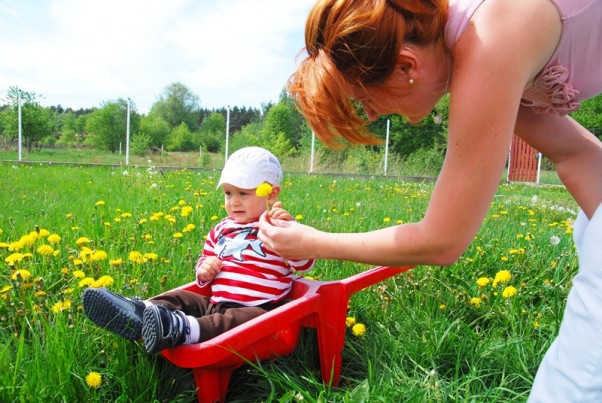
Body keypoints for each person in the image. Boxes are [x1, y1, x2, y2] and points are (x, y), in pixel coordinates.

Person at [257, 0, 602, 401]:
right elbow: (575, 155)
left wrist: (313, 242)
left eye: (365, 99)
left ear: (406, 67)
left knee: (574, 382)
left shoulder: (491, 40)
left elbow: (442, 240)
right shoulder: (481, 52)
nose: (370, 114)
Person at [83, 147, 315, 354]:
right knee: (181, 298)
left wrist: (289, 231)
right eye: (228, 193)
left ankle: (179, 328)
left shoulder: (279, 226)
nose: (233, 202)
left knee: (233, 320)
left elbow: (304, 264)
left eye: (243, 193)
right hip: (216, 302)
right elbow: (205, 266)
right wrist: (204, 270)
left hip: (260, 310)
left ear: (271, 194)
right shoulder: (221, 228)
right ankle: (141, 312)